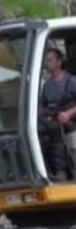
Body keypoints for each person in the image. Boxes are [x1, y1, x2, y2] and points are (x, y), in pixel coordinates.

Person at [40, 48, 76, 179]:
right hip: (54, 123)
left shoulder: (71, 81)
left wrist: (68, 114)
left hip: (70, 122)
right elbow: (42, 107)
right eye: (46, 61)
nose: (47, 64)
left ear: (59, 62)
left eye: (50, 60)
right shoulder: (47, 86)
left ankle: (63, 171)